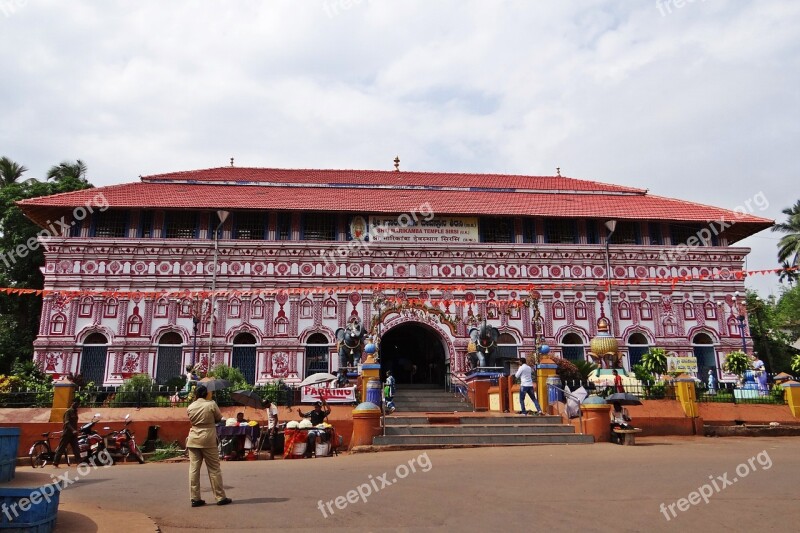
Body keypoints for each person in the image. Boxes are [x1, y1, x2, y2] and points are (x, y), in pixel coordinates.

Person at [187, 384, 232, 507]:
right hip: (208, 437)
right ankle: (220, 497)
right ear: (206, 394)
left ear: (196, 394)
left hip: (193, 437)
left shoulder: (190, 406)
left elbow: (191, 419)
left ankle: (195, 498)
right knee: (214, 469)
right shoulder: (211, 404)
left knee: (194, 469)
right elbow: (219, 418)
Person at [53, 399, 81, 467]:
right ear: (72, 403)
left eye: (77, 403)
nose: (76, 404)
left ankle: (79, 462)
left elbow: (75, 423)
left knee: (76, 448)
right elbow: (67, 423)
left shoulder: (75, 412)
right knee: (61, 448)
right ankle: (55, 462)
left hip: (73, 434)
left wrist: (76, 430)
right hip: (67, 433)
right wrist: (73, 430)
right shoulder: (68, 412)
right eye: (75, 403)